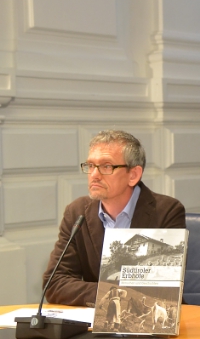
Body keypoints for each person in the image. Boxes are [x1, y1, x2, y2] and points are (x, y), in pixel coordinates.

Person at [43, 130, 185, 306]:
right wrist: (110, 293)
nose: (94, 174)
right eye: (90, 165)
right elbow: (54, 283)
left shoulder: (166, 211)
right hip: (100, 315)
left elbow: (163, 288)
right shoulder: (77, 212)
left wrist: (108, 292)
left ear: (133, 175)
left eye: (106, 166)